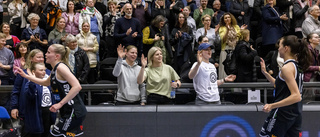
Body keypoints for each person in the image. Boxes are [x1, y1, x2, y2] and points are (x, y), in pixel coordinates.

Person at [16, 44, 87, 137]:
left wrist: (60, 104)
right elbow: (46, 82)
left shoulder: (61, 67)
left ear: (56, 56)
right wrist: (26, 76)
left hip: (74, 110)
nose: (45, 54)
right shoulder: (55, 69)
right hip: (67, 111)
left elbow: (77, 86)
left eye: (48, 52)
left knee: (54, 135)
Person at [259, 35, 311, 137]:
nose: (278, 48)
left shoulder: (286, 68)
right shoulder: (296, 66)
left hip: (282, 113)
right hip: (295, 113)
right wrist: (265, 73)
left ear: (286, 48)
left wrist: (272, 105)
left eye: (280, 45)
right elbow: (280, 85)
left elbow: (296, 96)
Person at [11, 49, 50, 137]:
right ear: (31, 58)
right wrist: (14, 107)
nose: (41, 59)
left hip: (46, 110)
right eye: (38, 57)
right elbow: (16, 91)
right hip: (28, 110)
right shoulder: (23, 73)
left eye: (42, 57)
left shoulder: (48, 72)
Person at [24, 62, 55, 137]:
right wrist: (32, 81)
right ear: (33, 72)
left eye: (44, 70)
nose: (43, 72)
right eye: (41, 70)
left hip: (48, 111)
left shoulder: (47, 82)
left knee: (46, 133)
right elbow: (30, 96)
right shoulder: (29, 83)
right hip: (36, 112)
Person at [218, 12, 245, 79]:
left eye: (228, 17)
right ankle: (224, 88)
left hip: (235, 50)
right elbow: (223, 39)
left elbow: (239, 38)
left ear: (231, 18)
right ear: (223, 20)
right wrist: (227, 30)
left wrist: (241, 31)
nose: (227, 19)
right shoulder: (222, 28)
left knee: (235, 70)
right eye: (225, 18)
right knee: (224, 72)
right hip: (226, 50)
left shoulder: (236, 27)